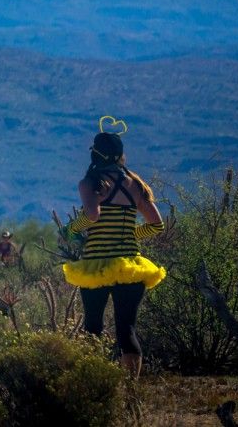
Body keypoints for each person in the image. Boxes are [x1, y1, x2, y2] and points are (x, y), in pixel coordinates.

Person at [62, 120, 166, 378]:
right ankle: (131, 392)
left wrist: (72, 230)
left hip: (96, 266)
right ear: (120, 155)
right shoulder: (135, 184)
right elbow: (156, 225)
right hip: (130, 266)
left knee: (92, 327)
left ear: (94, 154)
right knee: (126, 330)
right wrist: (131, 234)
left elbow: (93, 215)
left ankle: (93, 384)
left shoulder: (91, 183)